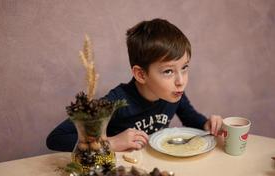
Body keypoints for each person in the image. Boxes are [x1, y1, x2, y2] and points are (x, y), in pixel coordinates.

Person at [46, 18, 223, 152]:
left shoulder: (173, 93)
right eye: (168, 71)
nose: (181, 80)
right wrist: (111, 143)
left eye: (184, 68)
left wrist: (208, 125)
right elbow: (56, 138)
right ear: (141, 74)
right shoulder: (116, 101)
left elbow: (191, 119)